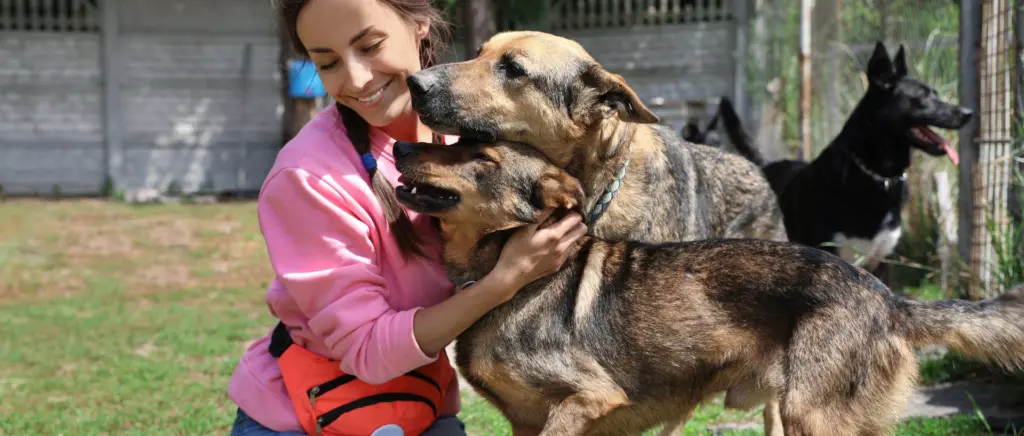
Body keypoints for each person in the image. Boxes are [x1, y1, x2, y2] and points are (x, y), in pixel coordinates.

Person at [226, 0, 588, 435]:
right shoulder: (307, 177)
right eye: (328, 63)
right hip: (305, 417)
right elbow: (366, 351)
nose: (357, 79)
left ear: (419, 25)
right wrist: (506, 279)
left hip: (418, 408)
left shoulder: (474, 135)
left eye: (370, 45)